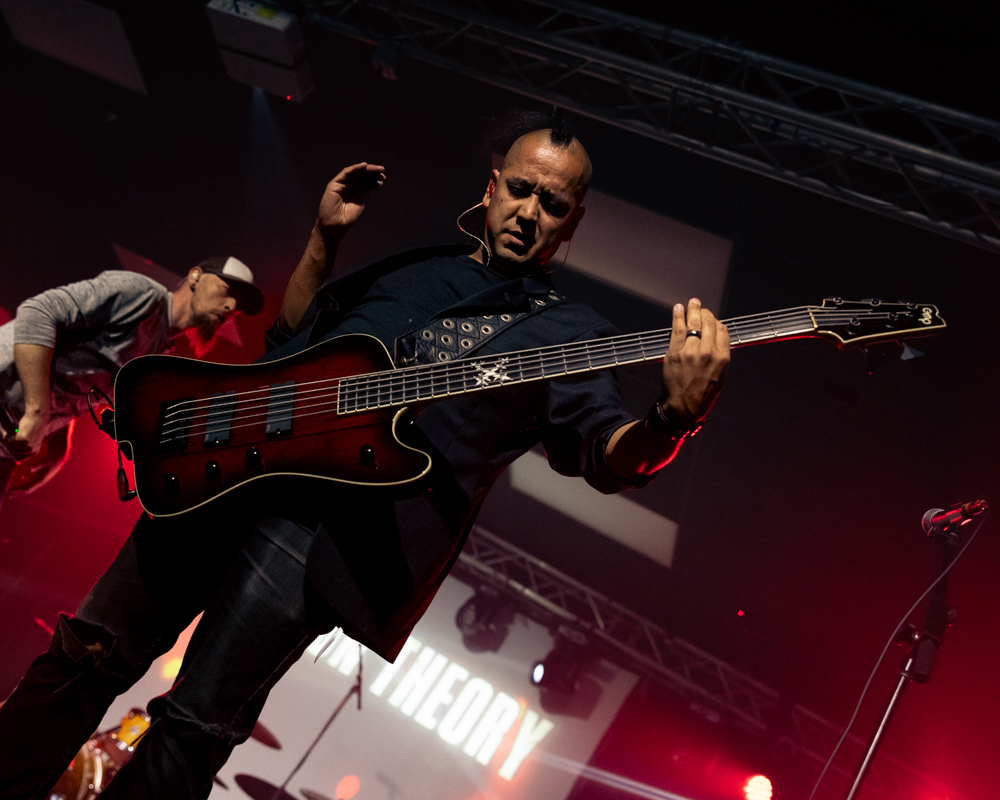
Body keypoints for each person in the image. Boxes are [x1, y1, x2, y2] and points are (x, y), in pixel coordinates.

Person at [0, 120, 730, 799]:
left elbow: (605, 454)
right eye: (520, 189)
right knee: (88, 650)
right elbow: (288, 341)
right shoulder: (417, 265)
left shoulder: (568, 333)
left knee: (193, 729)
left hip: (321, 537)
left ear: (572, 222)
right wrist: (324, 239)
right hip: (227, 470)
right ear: (491, 188)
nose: (530, 212)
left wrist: (672, 419)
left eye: (554, 204)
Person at [0, 257, 264, 509]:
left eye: (239, 305)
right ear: (195, 276)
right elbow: (37, 312)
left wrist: (57, 440)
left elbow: (72, 373)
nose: (231, 307)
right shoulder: (140, 295)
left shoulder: (159, 354)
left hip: (7, 445)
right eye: (227, 290)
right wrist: (37, 412)